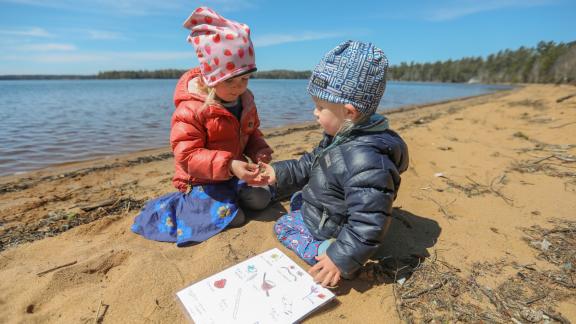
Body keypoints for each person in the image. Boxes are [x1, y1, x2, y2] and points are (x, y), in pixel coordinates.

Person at [260, 40, 409, 287]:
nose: (314, 113)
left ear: (349, 112)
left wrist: (339, 258)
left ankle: (323, 250)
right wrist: (277, 171)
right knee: (298, 197)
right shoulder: (341, 135)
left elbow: (369, 221)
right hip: (333, 209)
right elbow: (311, 164)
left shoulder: (366, 160)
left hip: (337, 229)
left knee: (284, 225)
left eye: (320, 107)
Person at [131, 6, 273, 246]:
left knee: (261, 200)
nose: (239, 87)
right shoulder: (191, 109)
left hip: (232, 174)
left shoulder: (245, 102)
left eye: (245, 79)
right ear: (211, 78)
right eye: (230, 81)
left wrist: (259, 150)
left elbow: (251, 133)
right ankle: (179, 206)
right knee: (234, 218)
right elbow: (187, 156)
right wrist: (229, 164)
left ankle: (230, 195)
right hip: (200, 182)